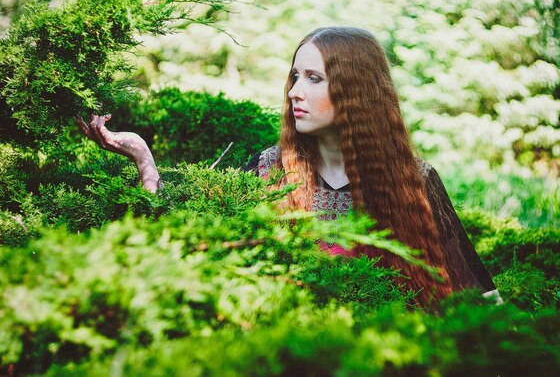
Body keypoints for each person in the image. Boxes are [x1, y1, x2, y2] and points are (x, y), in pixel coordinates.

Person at [78, 26, 501, 306]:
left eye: (314, 78)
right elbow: (189, 235)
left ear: (357, 91)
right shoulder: (269, 170)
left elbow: (479, 298)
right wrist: (144, 160)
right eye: (295, 76)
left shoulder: (415, 183)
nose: (294, 91)